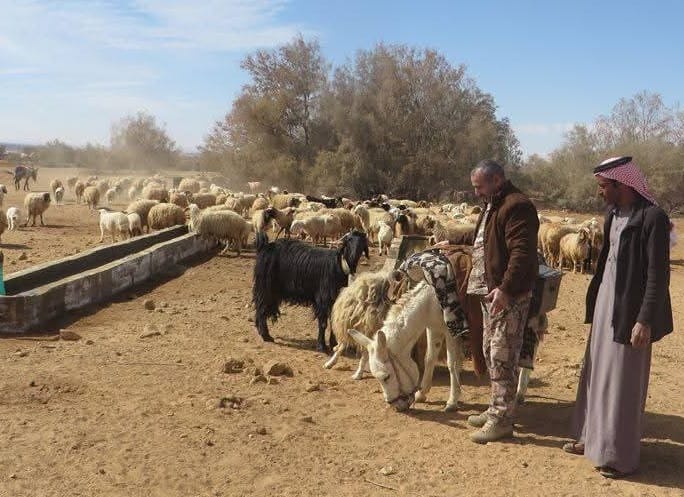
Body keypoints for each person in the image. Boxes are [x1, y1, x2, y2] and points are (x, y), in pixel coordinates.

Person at [563, 156, 673, 478]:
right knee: (596, 372)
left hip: (630, 313)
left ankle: (615, 456)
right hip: (605, 306)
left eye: (602, 186)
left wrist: (645, 319)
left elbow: (658, 275)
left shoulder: (652, 218)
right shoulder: (612, 214)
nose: (599, 193)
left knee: (622, 383)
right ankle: (590, 438)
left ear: (621, 184)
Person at [436, 159, 539, 443]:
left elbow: (521, 254)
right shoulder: (494, 204)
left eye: (479, 187)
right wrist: (452, 239)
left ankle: (502, 419)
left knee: (502, 355)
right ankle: (496, 407)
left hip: (508, 296)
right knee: (489, 349)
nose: (476, 192)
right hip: (489, 294)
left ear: (496, 180)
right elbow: (482, 236)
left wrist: (506, 289)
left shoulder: (517, 206)